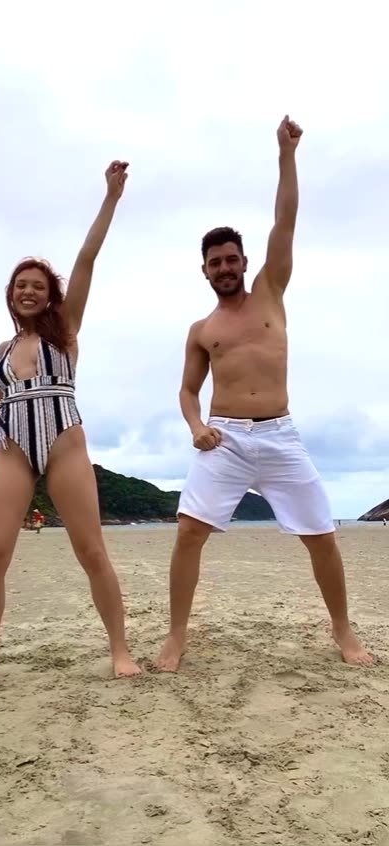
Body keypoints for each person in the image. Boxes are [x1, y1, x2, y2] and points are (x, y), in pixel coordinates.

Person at [157, 117, 375, 671]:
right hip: (224, 439)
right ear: (204, 271)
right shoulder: (202, 329)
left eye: (232, 259)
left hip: (280, 434)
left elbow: (286, 220)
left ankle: (344, 632)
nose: (225, 268)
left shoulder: (271, 293)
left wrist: (287, 155)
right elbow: (187, 391)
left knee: (321, 535)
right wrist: (196, 427)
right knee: (189, 533)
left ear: (245, 262)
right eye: (215, 262)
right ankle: (176, 636)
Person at [0, 160, 141, 686]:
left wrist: (111, 197)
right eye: (20, 286)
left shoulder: (66, 331)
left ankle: (120, 649)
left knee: (91, 550)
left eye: (37, 285)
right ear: (10, 294)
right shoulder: (3, 349)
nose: (28, 292)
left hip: (64, 444)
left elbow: (86, 259)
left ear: (50, 294)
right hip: (12, 448)